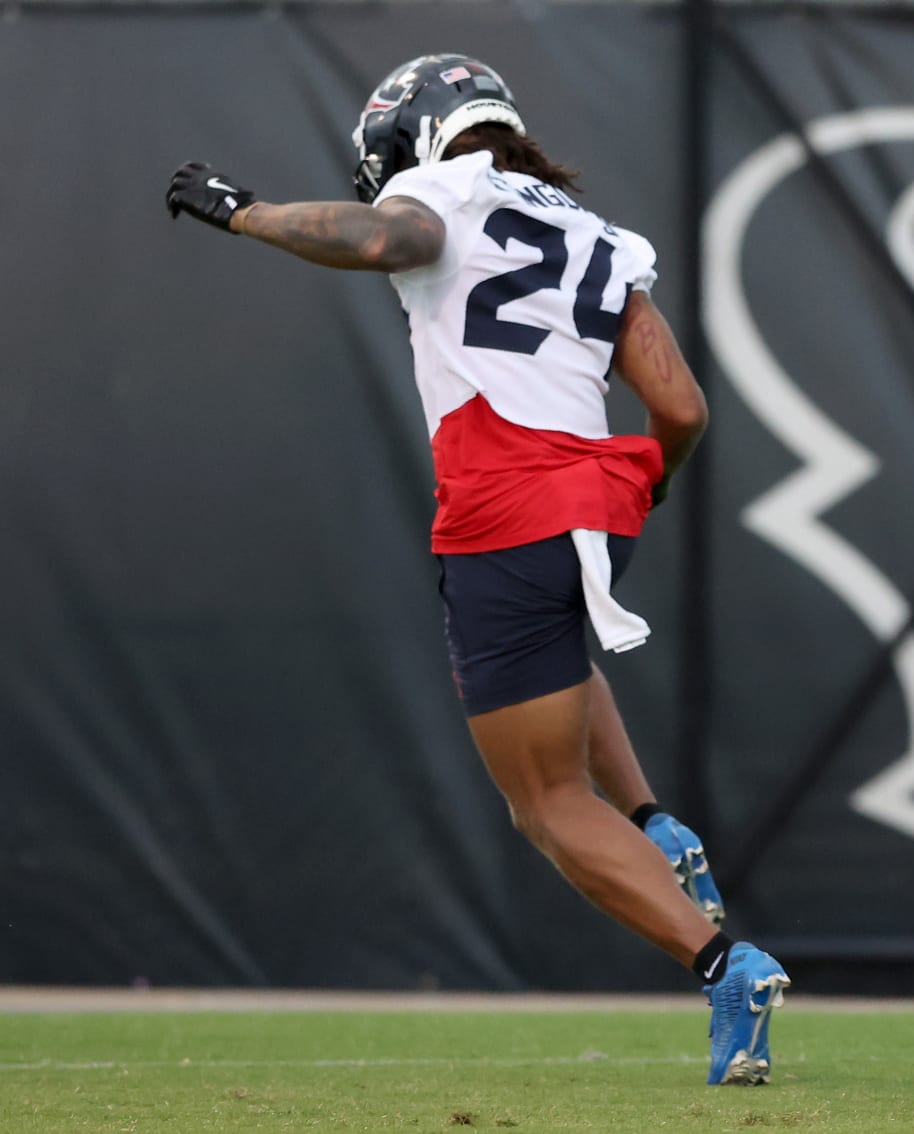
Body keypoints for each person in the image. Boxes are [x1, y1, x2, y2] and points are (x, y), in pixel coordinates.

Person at [166, 54, 788, 1086]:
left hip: (506, 500)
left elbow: (387, 237)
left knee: (544, 803)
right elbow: (680, 410)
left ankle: (724, 965)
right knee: (557, 668)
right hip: (597, 497)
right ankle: (654, 822)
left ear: (415, 139)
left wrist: (247, 213)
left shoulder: (439, 188)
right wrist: (650, 487)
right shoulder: (595, 232)